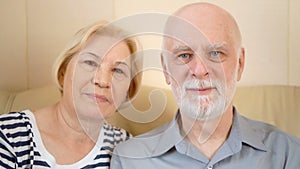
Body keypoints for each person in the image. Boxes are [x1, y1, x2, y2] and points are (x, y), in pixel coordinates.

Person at [110, 2, 300, 169]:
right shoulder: (130, 160)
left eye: (216, 53)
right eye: (184, 55)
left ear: (240, 64)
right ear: (166, 69)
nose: (200, 70)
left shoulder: (288, 154)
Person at [0, 21, 142, 168]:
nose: (102, 81)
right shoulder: (7, 137)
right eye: (90, 63)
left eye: (118, 71)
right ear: (63, 73)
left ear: (127, 92)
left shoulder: (127, 149)